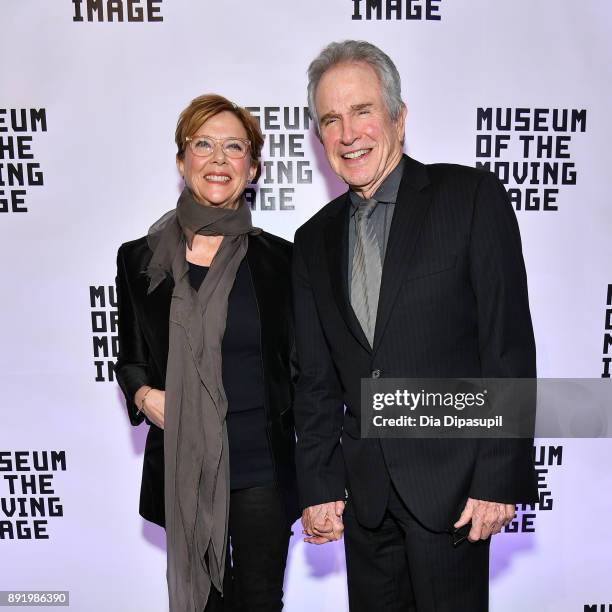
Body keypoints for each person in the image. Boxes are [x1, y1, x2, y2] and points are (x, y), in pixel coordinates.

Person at [292, 40, 538, 611]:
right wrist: (321, 485)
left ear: (399, 118)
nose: (348, 132)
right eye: (331, 119)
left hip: (452, 491)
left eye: (363, 111)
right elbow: (316, 380)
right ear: (319, 136)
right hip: (366, 500)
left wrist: (496, 477)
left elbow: (507, 346)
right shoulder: (312, 241)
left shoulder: (471, 199)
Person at [115, 94, 298, 612]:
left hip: (260, 468)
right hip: (184, 468)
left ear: (252, 167)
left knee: (260, 602)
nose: (218, 159)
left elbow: (305, 371)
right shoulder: (139, 260)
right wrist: (144, 393)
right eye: (204, 145)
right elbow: (129, 357)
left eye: (234, 147)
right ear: (181, 161)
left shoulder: (281, 261)